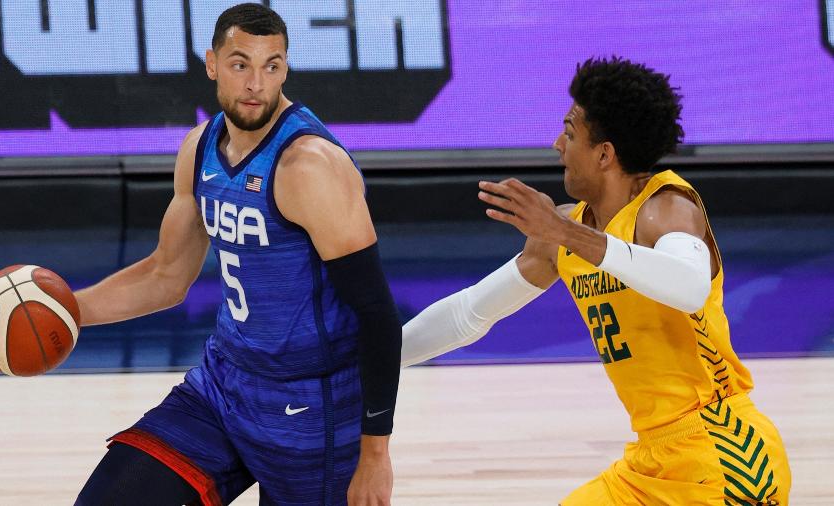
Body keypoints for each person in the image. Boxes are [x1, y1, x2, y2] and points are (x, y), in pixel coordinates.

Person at [400, 57, 791, 505]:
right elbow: (470, 312)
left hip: (725, 454)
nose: (556, 145)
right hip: (651, 461)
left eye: (569, 133)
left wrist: (567, 233)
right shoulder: (566, 232)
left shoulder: (664, 208)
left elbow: (688, 286)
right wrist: (376, 361)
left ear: (604, 153)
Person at [71, 5, 401, 505]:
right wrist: (61, 312)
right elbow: (166, 276)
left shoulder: (308, 166)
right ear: (212, 63)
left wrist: (375, 454)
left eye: (272, 65)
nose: (256, 83)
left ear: (286, 68)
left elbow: (377, 314)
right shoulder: (200, 148)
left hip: (314, 408)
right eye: (240, 63)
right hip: (225, 386)